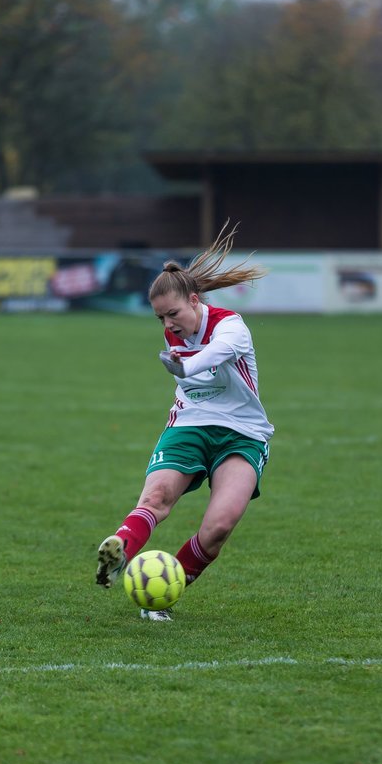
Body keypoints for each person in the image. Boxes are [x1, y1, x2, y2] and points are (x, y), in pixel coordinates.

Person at [94, 225, 272, 621]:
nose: (168, 324)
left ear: (195, 301)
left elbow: (215, 355)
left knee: (219, 528)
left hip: (242, 433)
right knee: (156, 499)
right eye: (160, 317)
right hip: (190, 423)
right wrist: (183, 361)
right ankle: (120, 549)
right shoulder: (174, 329)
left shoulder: (232, 326)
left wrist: (187, 364)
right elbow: (189, 363)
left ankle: (168, 583)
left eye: (173, 313)